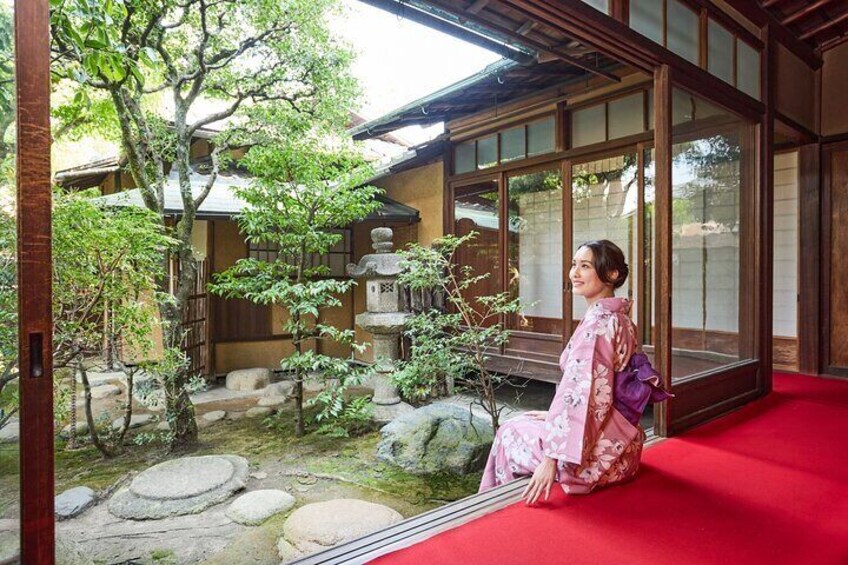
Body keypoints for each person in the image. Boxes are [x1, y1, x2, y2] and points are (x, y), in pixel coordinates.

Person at [479, 239, 646, 504]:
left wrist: (551, 458)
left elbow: (582, 396)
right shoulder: (621, 318)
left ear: (612, 274)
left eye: (585, 266)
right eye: (573, 265)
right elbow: (598, 396)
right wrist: (551, 416)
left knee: (510, 430)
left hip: (595, 461)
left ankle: (494, 508)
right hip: (625, 449)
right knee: (530, 421)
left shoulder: (596, 327)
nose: (574, 274)